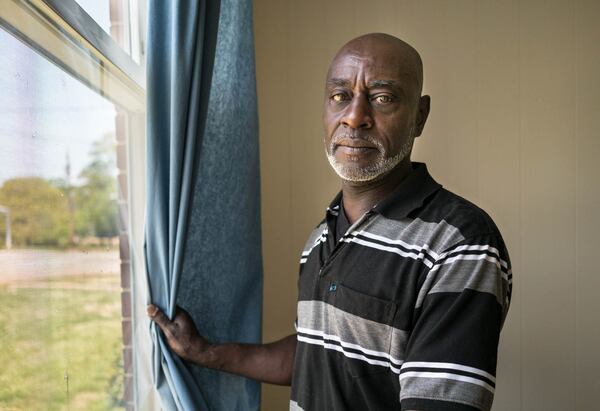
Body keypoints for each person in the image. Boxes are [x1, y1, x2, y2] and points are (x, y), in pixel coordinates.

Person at [148, 32, 512, 411]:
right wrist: (205, 352)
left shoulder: (460, 244)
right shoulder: (320, 240)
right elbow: (316, 353)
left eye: (383, 98)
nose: (355, 117)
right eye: (340, 96)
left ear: (419, 116)